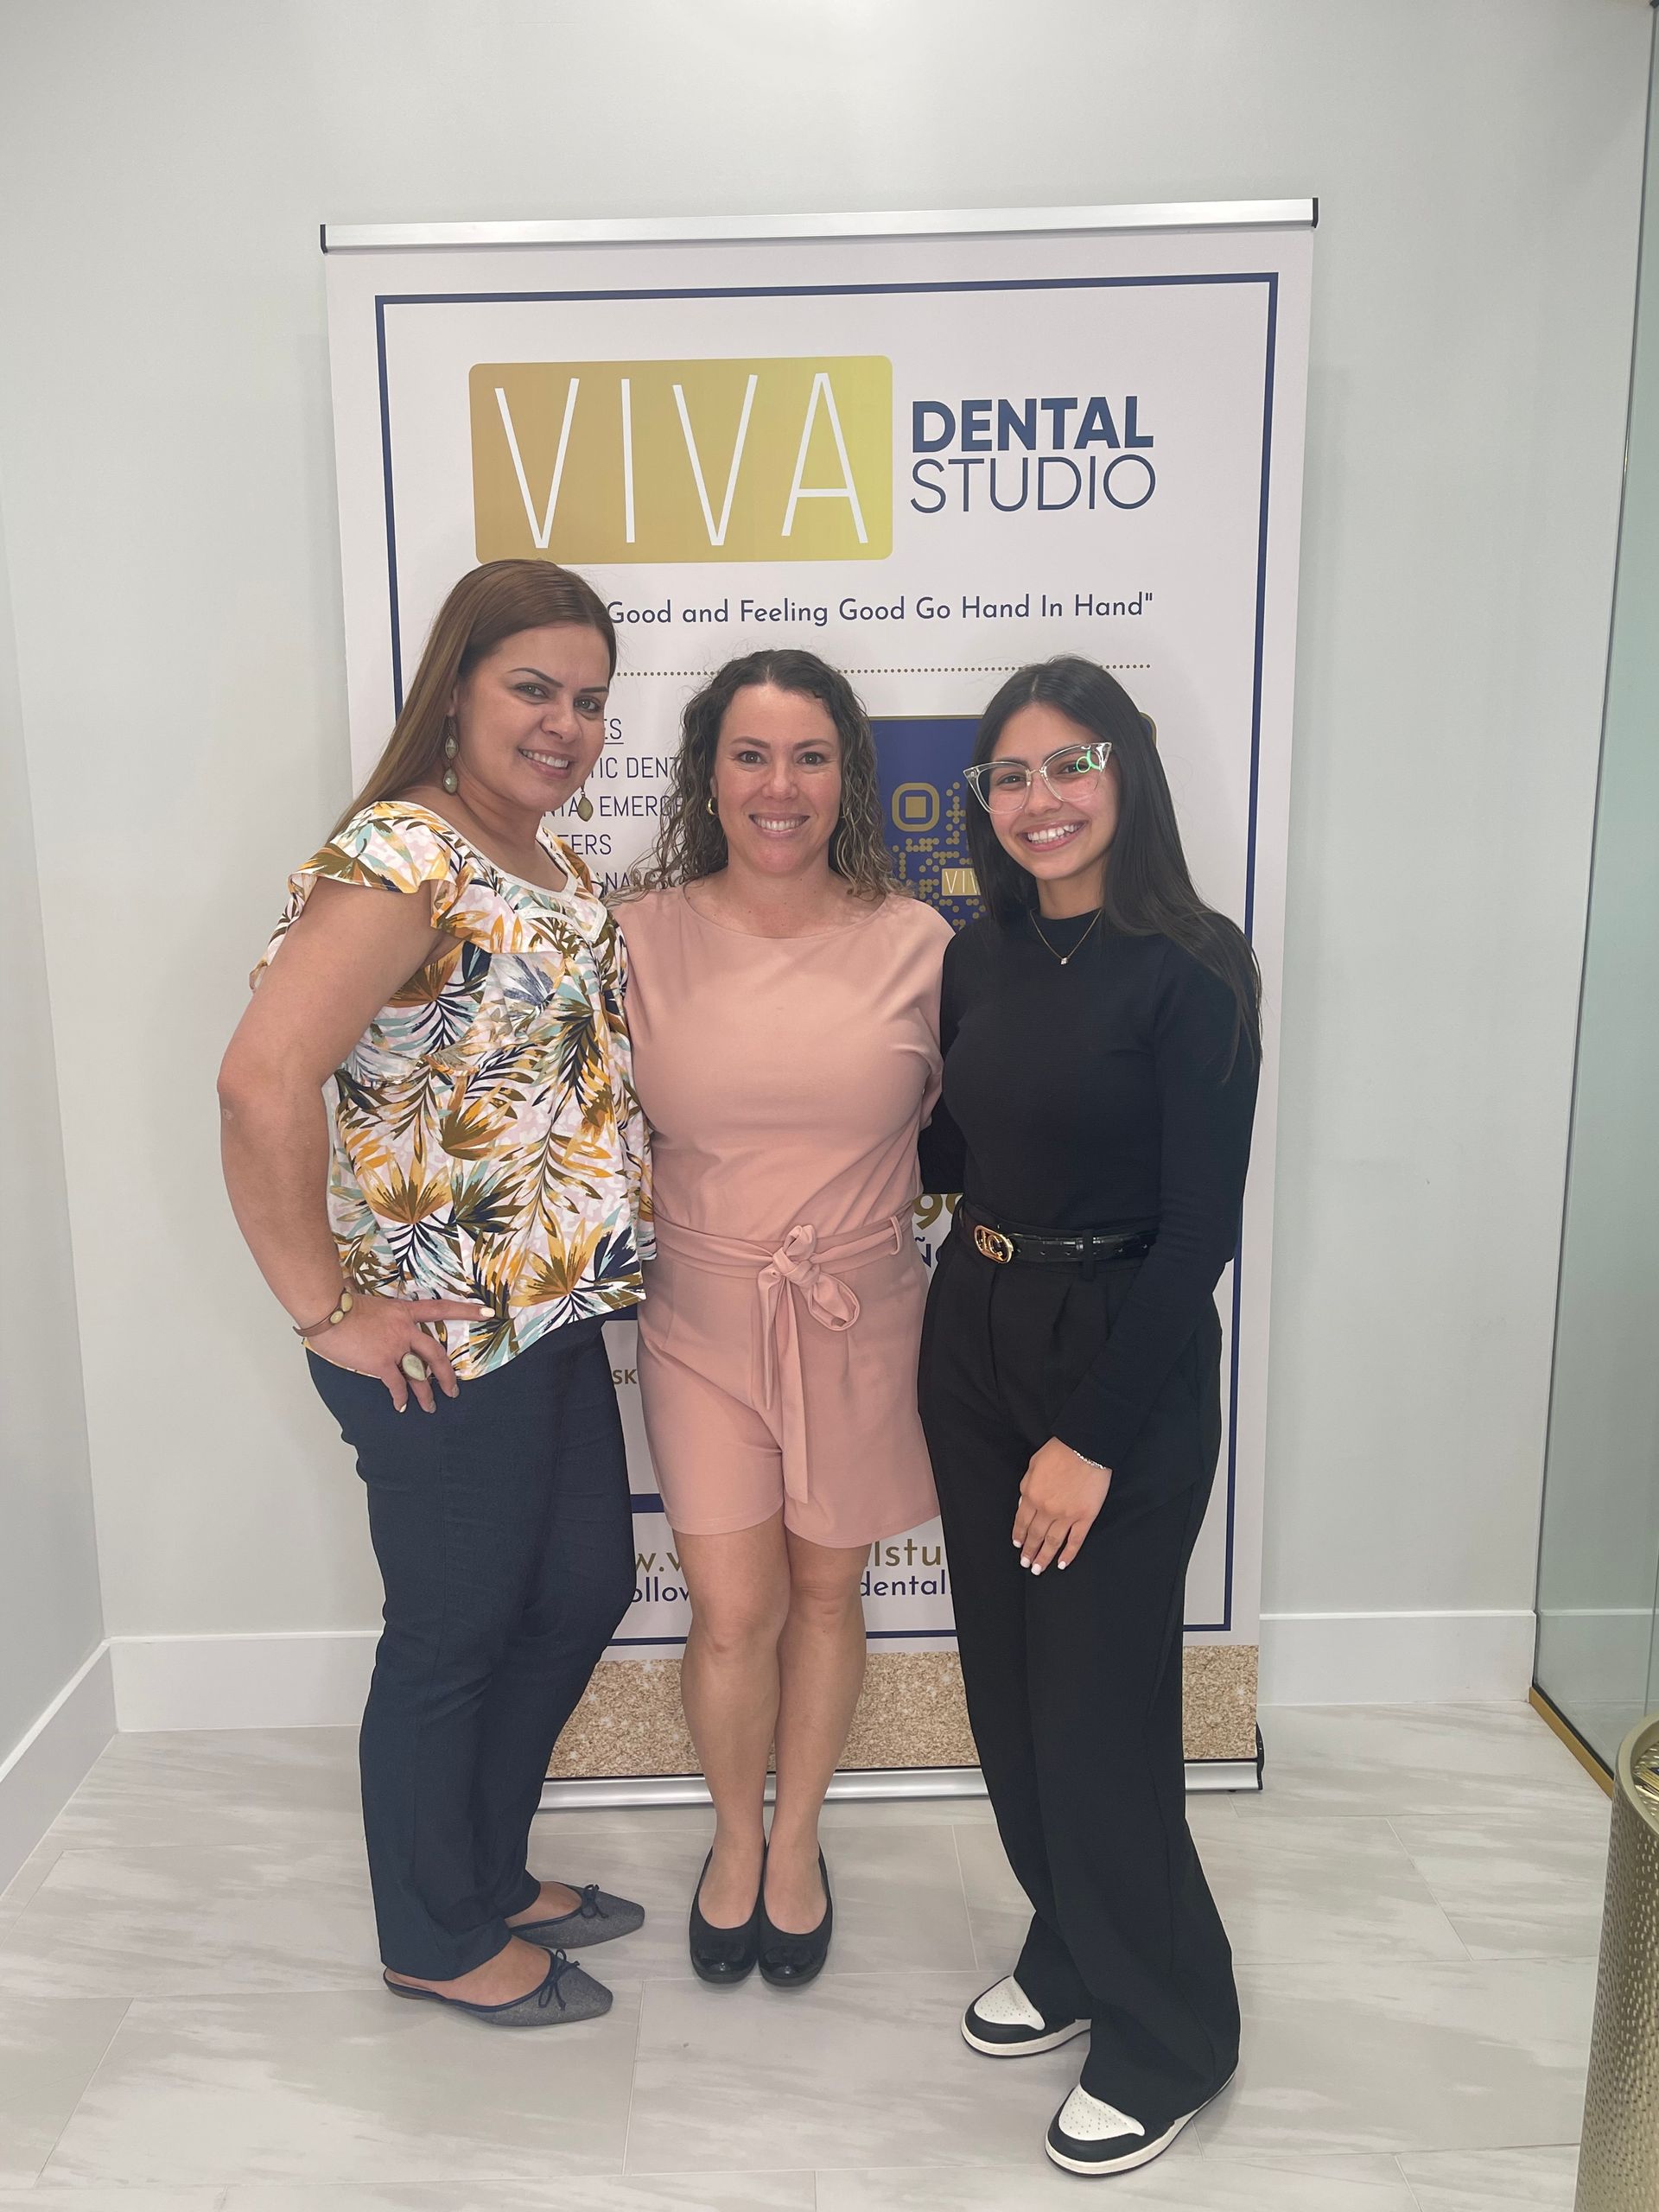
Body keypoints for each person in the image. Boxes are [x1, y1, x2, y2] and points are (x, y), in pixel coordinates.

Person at [218, 560, 652, 2029]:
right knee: (454, 1633)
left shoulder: (551, 862)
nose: (565, 723)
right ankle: (431, 1935)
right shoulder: (406, 857)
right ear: (456, 690)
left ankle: (483, 1871)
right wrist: (323, 1309)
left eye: (588, 699)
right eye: (533, 687)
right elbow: (260, 1079)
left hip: (549, 1315)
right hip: (435, 1338)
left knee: (580, 1591)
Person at [917, 657, 1259, 2176]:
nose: (1040, 799)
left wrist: (1094, 1439)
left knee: (1099, 1710)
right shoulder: (976, 956)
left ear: (1129, 772)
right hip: (976, 1330)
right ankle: (1070, 1943)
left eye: (1072, 764)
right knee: (1007, 1691)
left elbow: (1199, 1234)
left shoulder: (1193, 966)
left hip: (1123, 1349)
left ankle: (1169, 2031)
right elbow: (947, 1149)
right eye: (1011, 775)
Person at [617, 649, 950, 1987]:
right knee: (730, 1610)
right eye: (750, 755)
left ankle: (797, 1841)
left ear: (846, 776)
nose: (780, 786)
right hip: (700, 1319)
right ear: (708, 775)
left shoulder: (919, 943)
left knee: (827, 1592)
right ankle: (734, 1838)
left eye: (810, 757)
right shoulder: (636, 936)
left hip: (858, 1316)